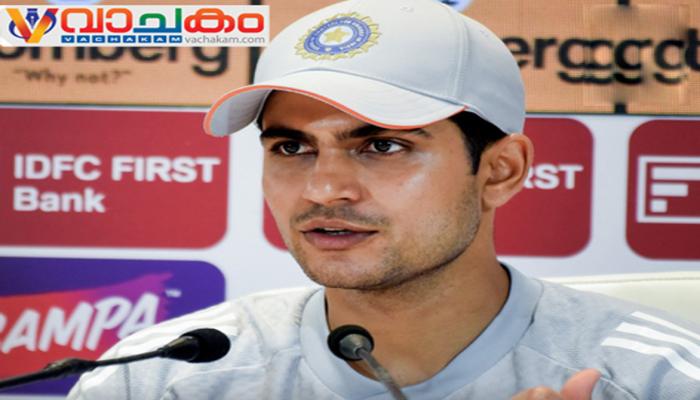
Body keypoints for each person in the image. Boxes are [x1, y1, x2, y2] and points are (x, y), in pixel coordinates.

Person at [68, 0, 700, 398]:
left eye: (382, 146)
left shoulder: (656, 379)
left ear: (500, 171)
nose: (323, 189)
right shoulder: (159, 378)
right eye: (291, 147)